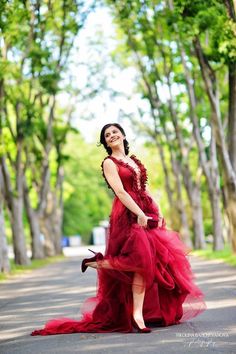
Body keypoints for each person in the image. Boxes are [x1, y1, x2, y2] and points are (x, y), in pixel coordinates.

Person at [31, 123, 207, 336]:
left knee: (159, 260)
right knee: (140, 263)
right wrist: (139, 214)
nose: (112, 135)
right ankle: (138, 316)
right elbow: (121, 192)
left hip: (146, 209)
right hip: (127, 214)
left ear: (123, 135)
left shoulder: (133, 161)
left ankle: (99, 264)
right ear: (105, 142)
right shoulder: (109, 162)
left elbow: (144, 187)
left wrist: (157, 210)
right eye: (107, 135)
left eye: (115, 132)